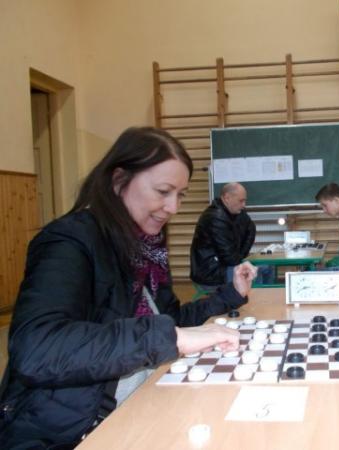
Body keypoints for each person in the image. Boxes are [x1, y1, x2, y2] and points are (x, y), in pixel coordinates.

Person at [0, 127, 257, 449]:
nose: (173, 207)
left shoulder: (145, 247)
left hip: (140, 399)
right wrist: (170, 337)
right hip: (67, 430)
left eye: (180, 195)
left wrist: (230, 295)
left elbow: (169, 320)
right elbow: (37, 349)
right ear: (119, 181)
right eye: (163, 191)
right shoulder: (69, 240)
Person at [190, 182, 273, 287]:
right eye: (241, 201)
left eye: (244, 201)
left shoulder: (234, 212)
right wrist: (242, 261)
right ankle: (251, 298)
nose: (244, 205)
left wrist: (242, 257)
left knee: (268, 267)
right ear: (227, 198)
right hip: (211, 272)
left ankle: (265, 297)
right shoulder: (216, 217)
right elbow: (230, 258)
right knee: (253, 274)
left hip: (225, 265)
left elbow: (251, 228)